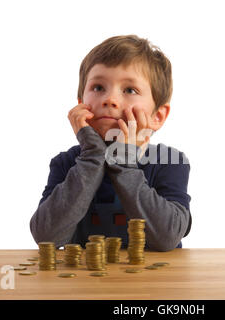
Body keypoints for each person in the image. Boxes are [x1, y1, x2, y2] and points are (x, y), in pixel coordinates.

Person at [30, 34, 191, 251]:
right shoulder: (66, 162)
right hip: (86, 283)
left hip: (154, 284)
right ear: (81, 105)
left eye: (130, 90)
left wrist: (124, 160)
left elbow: (167, 237)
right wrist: (92, 155)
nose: (110, 99)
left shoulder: (170, 162)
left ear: (157, 117)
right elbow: (46, 237)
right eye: (98, 88)